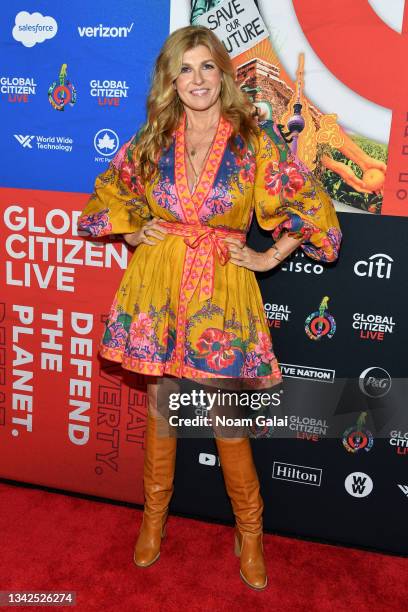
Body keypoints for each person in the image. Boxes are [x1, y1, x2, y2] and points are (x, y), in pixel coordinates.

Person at [77, 25, 342, 591]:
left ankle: (250, 530)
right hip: (158, 282)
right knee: (160, 403)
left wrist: (270, 257)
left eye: (206, 67)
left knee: (219, 408)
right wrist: (132, 233)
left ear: (221, 73)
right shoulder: (153, 137)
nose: (197, 80)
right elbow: (111, 194)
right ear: (171, 81)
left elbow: (306, 202)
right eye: (185, 69)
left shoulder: (252, 139)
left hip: (219, 285)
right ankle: (154, 519)